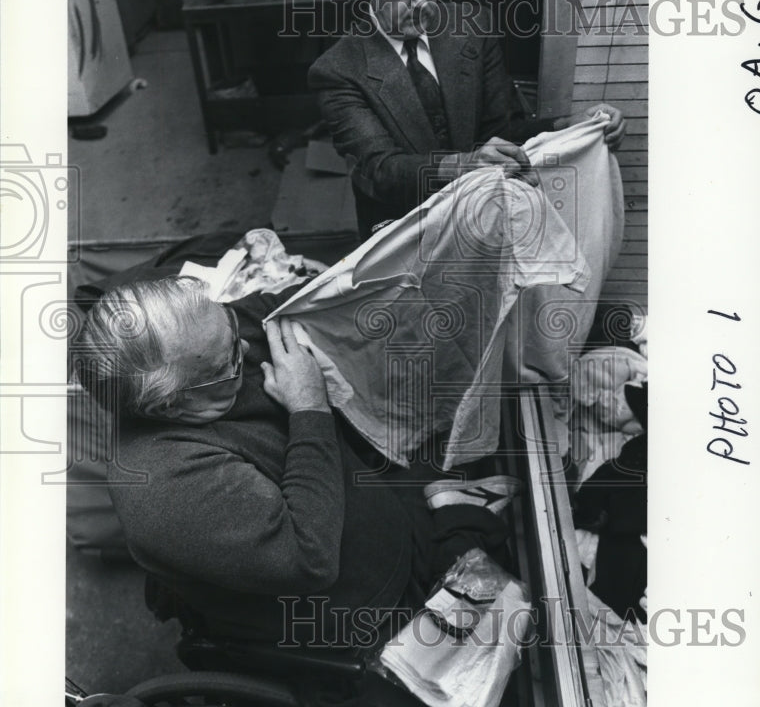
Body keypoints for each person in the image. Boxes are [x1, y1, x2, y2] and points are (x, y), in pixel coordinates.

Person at [74, 275, 511, 646]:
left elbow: (277, 310)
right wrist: (309, 408)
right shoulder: (168, 488)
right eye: (227, 363)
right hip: (370, 607)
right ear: (167, 406)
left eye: (226, 324)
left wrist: (378, 269)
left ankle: (442, 515)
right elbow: (309, 558)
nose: (244, 347)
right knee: (499, 602)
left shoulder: (201, 340)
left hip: (372, 508)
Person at [309, 0, 626, 240]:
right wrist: (467, 165)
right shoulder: (338, 70)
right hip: (402, 238)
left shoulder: (473, 28)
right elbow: (382, 170)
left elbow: (503, 130)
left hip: (482, 226)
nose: (423, 3)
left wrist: (568, 127)